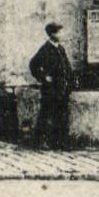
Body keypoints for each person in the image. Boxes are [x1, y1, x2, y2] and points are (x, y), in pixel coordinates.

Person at [29, 21, 74, 149]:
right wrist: (43, 78)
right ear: (52, 34)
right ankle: (40, 141)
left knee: (62, 115)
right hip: (50, 89)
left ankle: (60, 142)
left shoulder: (60, 48)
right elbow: (33, 64)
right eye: (59, 32)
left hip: (62, 88)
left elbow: (66, 66)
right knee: (46, 114)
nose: (62, 34)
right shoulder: (45, 49)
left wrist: (70, 80)